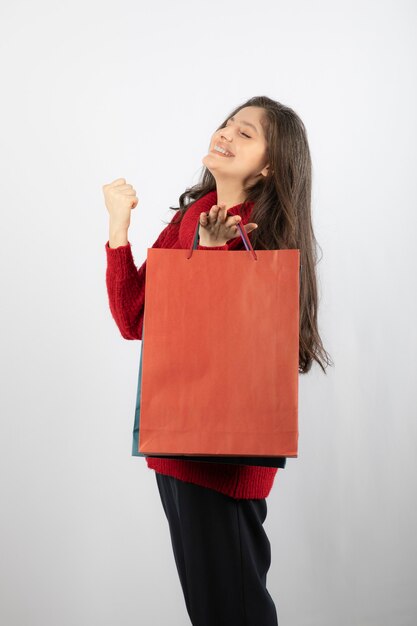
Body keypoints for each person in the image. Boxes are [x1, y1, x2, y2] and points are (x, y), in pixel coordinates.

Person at [103, 95, 333, 626]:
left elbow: (243, 336)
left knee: (235, 612)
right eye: (227, 124)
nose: (225, 134)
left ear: (270, 166)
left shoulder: (266, 232)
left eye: (245, 133)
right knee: (211, 611)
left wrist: (211, 257)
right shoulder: (188, 219)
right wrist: (119, 229)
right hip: (173, 446)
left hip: (224, 460)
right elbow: (134, 319)